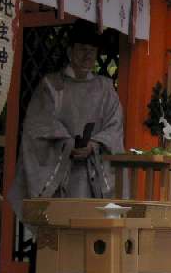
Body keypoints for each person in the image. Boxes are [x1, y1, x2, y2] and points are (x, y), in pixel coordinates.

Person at [8, 21, 123, 219]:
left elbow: (115, 126)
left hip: (93, 172)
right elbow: (40, 125)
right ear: (70, 51)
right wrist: (68, 144)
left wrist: (94, 145)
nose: (87, 55)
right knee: (61, 229)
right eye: (82, 49)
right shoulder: (52, 85)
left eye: (92, 50)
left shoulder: (105, 88)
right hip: (61, 172)